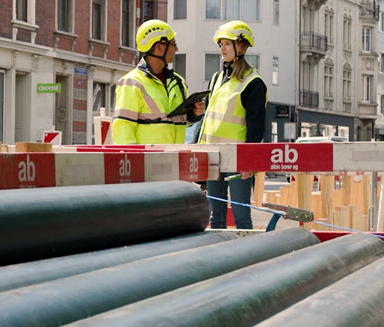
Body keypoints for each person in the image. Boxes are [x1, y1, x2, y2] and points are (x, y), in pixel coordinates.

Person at [199, 20, 267, 229]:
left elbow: (256, 127)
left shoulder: (253, 82)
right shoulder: (217, 79)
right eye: (221, 44)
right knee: (215, 218)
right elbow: (208, 121)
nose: (222, 48)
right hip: (213, 156)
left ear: (242, 46)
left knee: (241, 217)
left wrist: (249, 160)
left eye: (228, 43)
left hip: (238, 159)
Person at [112, 19, 204, 144]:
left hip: (175, 158)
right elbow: (123, 129)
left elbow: (175, 122)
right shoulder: (132, 82)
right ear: (159, 47)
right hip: (147, 161)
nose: (176, 49)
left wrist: (194, 115)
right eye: (173, 44)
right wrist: (134, 162)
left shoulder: (178, 82)